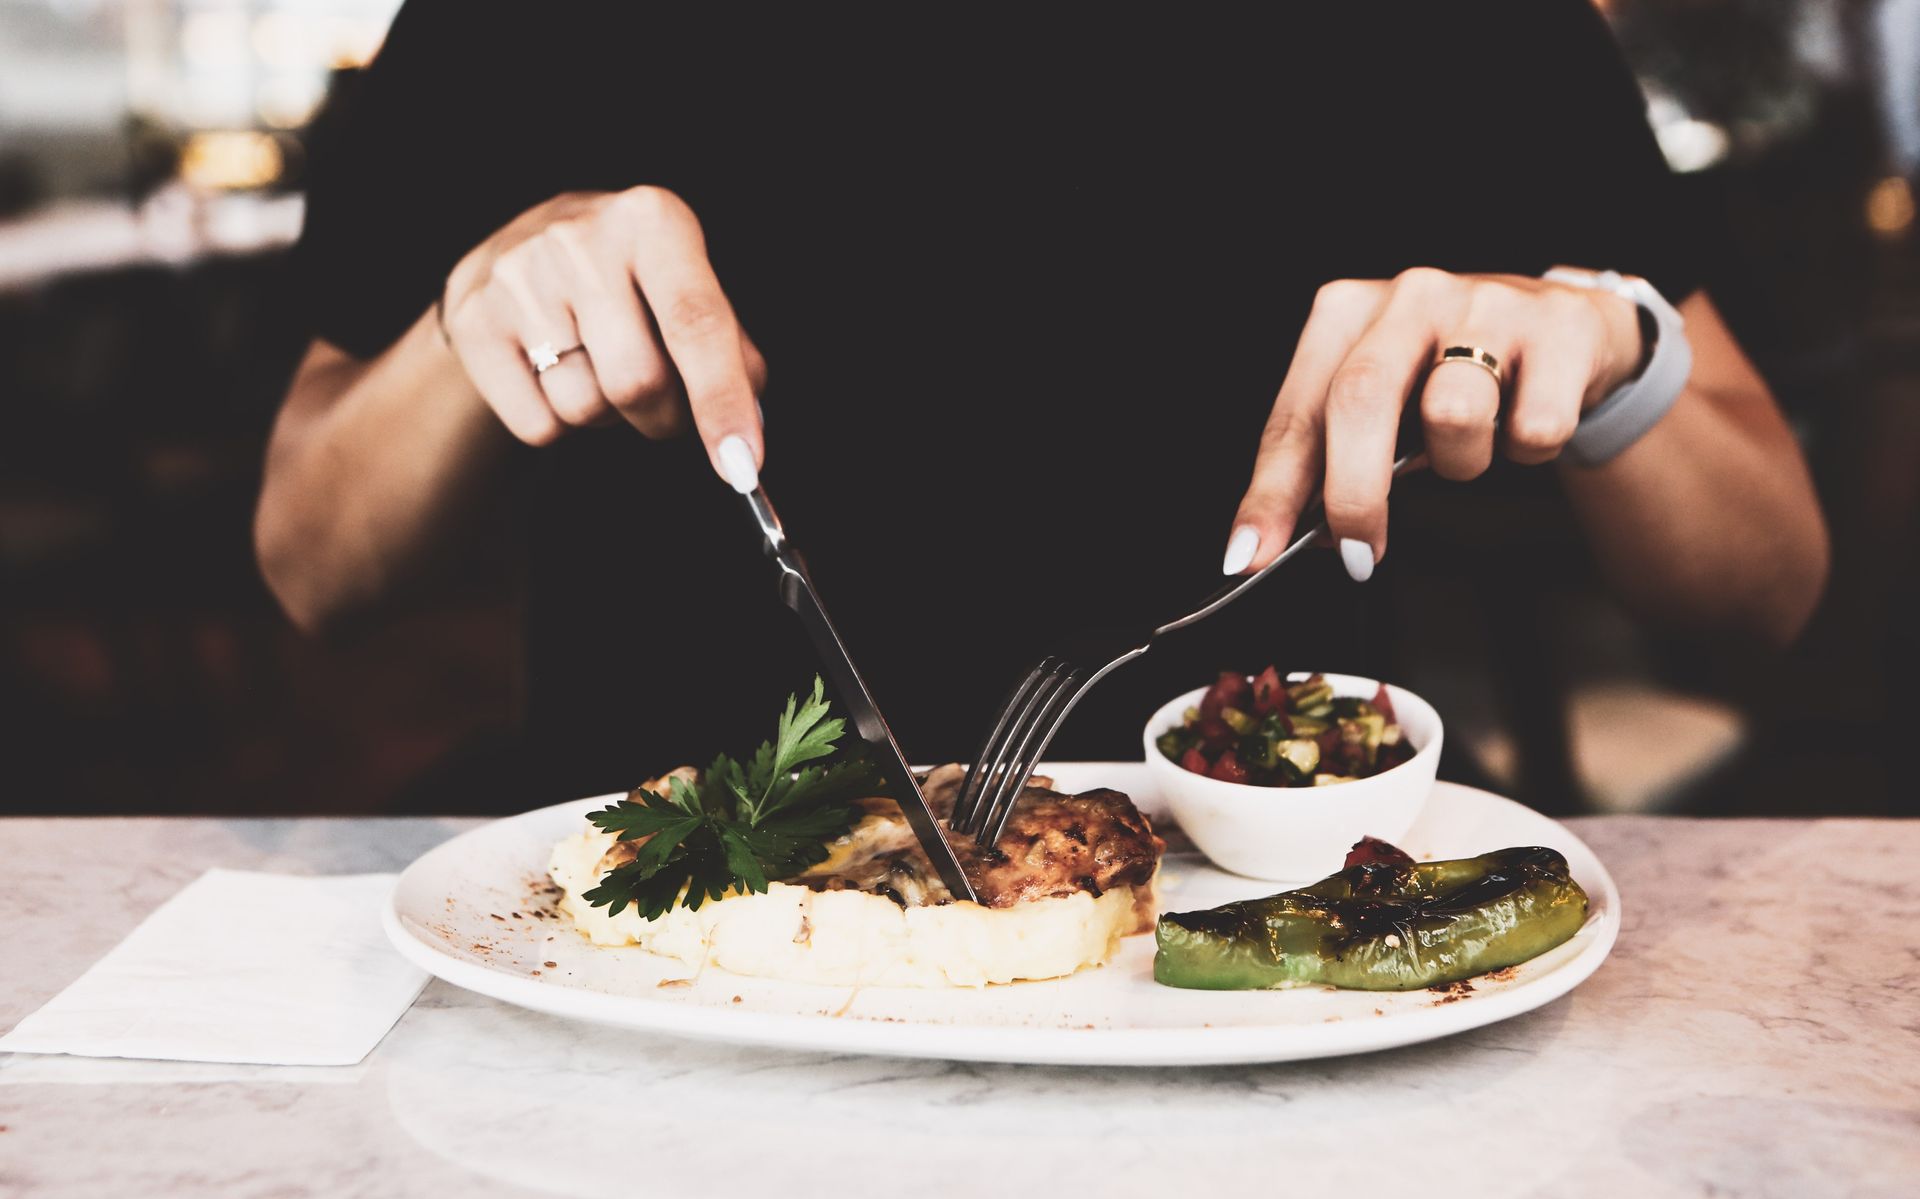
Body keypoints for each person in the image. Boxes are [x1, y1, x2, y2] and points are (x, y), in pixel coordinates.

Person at [258, 1, 1828, 807]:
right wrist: (481, 317)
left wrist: (1614, 353)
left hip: (1258, 916)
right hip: (660, 915)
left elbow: (1769, 579)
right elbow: (314, 559)